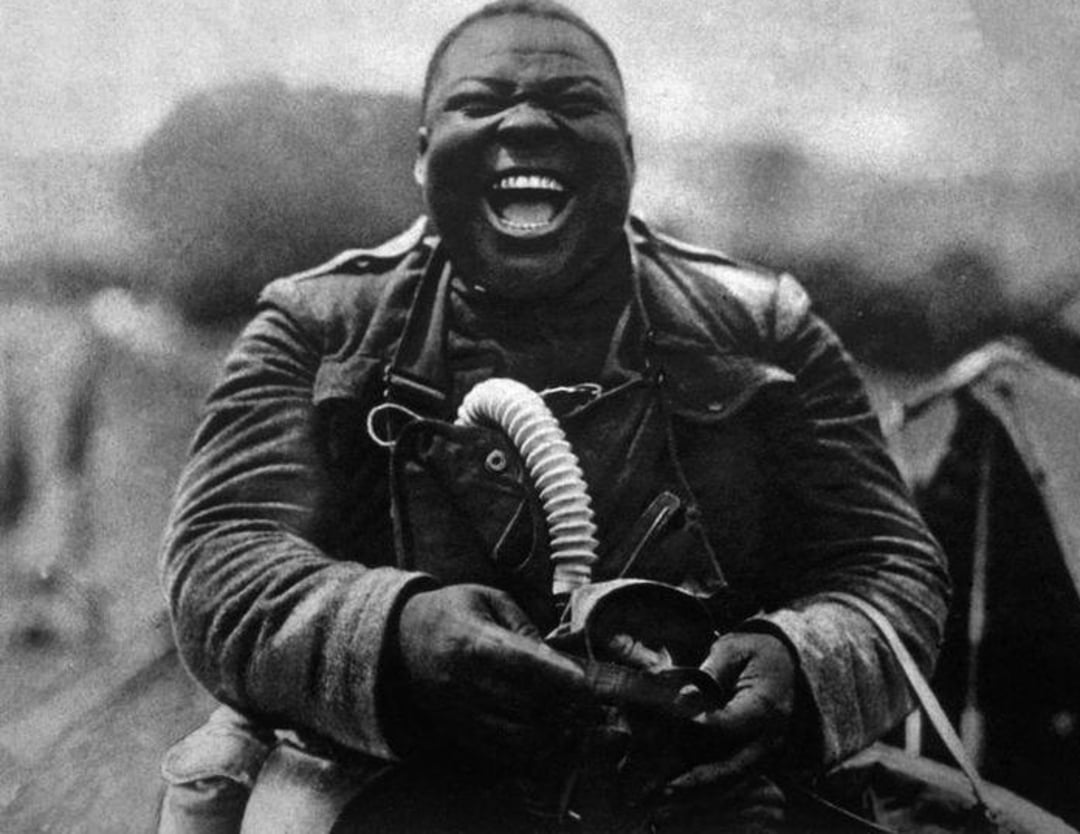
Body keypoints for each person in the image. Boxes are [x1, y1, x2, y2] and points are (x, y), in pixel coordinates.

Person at [160, 2, 949, 831]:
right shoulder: (319, 325)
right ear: (424, 156)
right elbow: (221, 558)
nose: (529, 122)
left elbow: (889, 564)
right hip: (393, 785)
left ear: (629, 156)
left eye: (575, 102)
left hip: (699, 798)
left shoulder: (765, 327)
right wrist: (397, 637)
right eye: (478, 102)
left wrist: (800, 667)